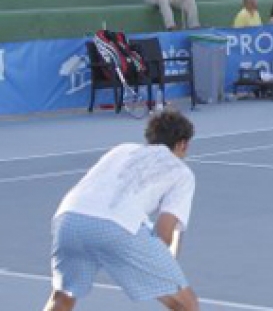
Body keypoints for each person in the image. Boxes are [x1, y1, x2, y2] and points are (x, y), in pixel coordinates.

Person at [42, 111, 199, 311]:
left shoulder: (121, 149)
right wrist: (163, 269)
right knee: (187, 304)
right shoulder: (181, 172)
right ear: (183, 144)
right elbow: (164, 231)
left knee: (62, 297)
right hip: (115, 228)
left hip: (69, 219)